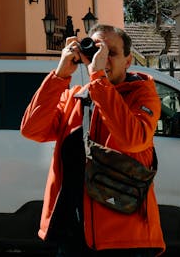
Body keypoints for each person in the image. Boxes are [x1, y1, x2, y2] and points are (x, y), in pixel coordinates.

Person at [21, 23, 165, 256]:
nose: (103, 58)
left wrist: (98, 78)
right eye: (97, 51)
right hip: (74, 235)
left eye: (111, 53)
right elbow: (32, 129)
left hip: (125, 239)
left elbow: (133, 140)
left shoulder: (142, 93)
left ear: (128, 61)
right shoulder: (75, 98)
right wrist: (60, 75)